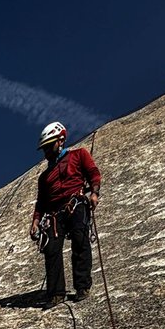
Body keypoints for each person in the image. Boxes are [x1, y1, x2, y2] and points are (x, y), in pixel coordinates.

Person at [29, 121, 102, 309]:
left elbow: (93, 173)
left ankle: (82, 287)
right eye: (44, 147)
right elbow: (41, 202)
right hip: (54, 213)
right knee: (51, 250)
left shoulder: (79, 155)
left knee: (80, 240)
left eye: (48, 146)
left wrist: (94, 193)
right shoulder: (44, 177)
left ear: (60, 140)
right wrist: (35, 221)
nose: (45, 151)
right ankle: (56, 294)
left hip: (75, 202)